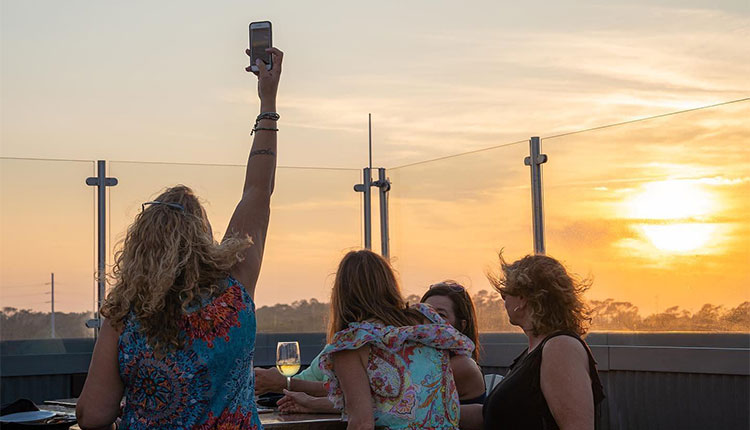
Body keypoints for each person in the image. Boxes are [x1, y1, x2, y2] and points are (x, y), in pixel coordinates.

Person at [75, 47, 284, 430]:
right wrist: (267, 100)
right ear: (202, 240)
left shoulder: (124, 313)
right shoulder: (234, 290)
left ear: (139, 246)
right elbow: (258, 190)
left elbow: (93, 416)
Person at [317, 250, 475, 430]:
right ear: (390, 283)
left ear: (341, 294)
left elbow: (361, 424)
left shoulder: (351, 345)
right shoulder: (426, 320)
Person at [460, 253, 605, 430]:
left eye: (506, 292)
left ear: (523, 298)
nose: (503, 298)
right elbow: (492, 416)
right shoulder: (536, 350)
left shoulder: (560, 348)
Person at [421, 281, 486, 404]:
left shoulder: (461, 364)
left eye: (440, 315)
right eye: (424, 312)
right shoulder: (425, 358)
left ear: (461, 325)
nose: (429, 320)